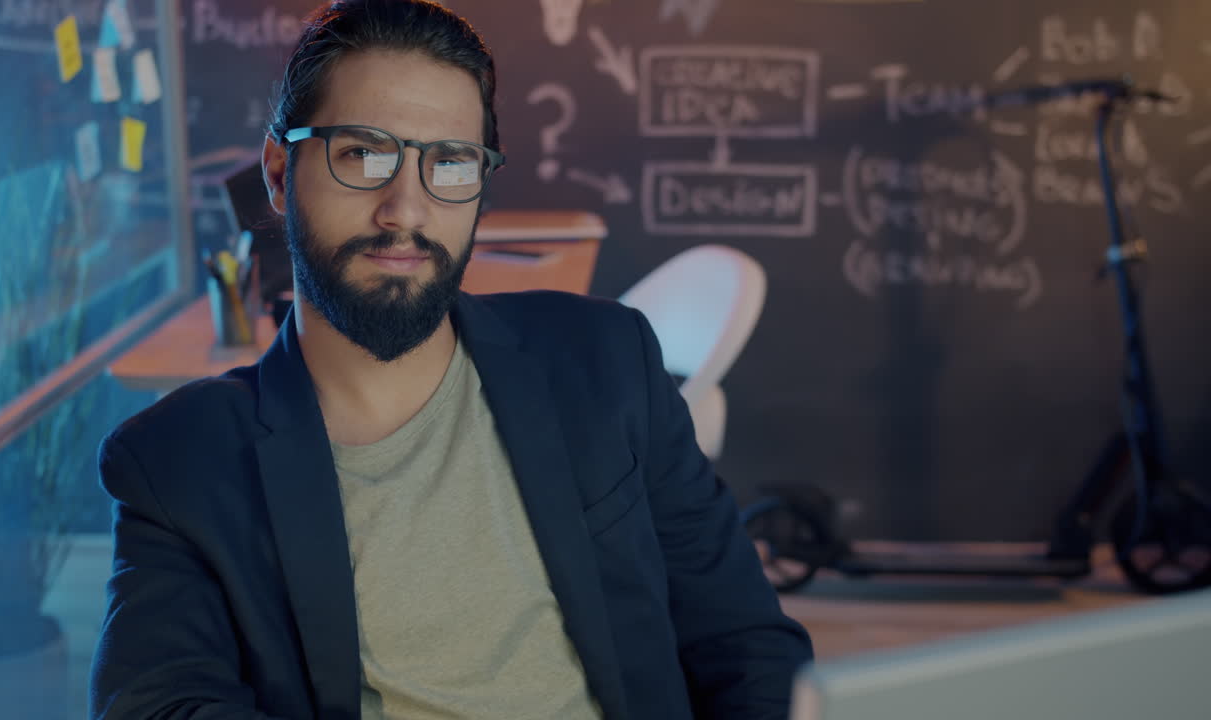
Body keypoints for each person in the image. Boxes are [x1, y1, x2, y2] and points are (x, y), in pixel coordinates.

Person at [89, 1, 813, 718]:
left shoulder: (605, 361)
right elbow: (156, 707)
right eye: (362, 154)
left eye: (450, 163)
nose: (406, 209)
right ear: (279, 173)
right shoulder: (180, 464)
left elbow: (745, 642)